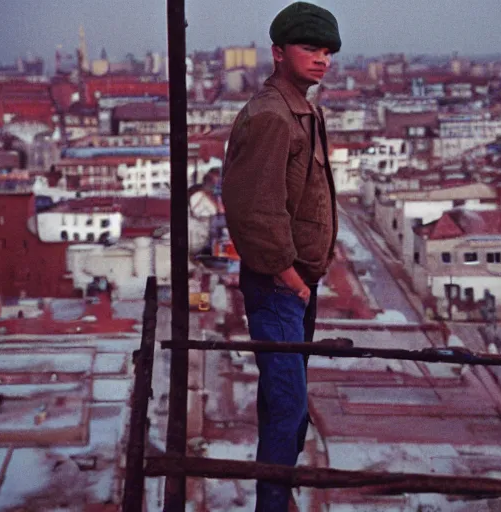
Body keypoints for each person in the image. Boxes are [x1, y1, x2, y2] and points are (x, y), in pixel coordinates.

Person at [221, 2, 341, 510]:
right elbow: (255, 211)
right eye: (309, 48)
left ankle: (277, 500)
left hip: (293, 287)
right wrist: (292, 279)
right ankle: (272, 506)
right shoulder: (272, 116)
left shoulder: (304, 109)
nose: (322, 60)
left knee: (284, 407)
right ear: (277, 52)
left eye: (327, 51)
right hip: (277, 287)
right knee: (289, 405)